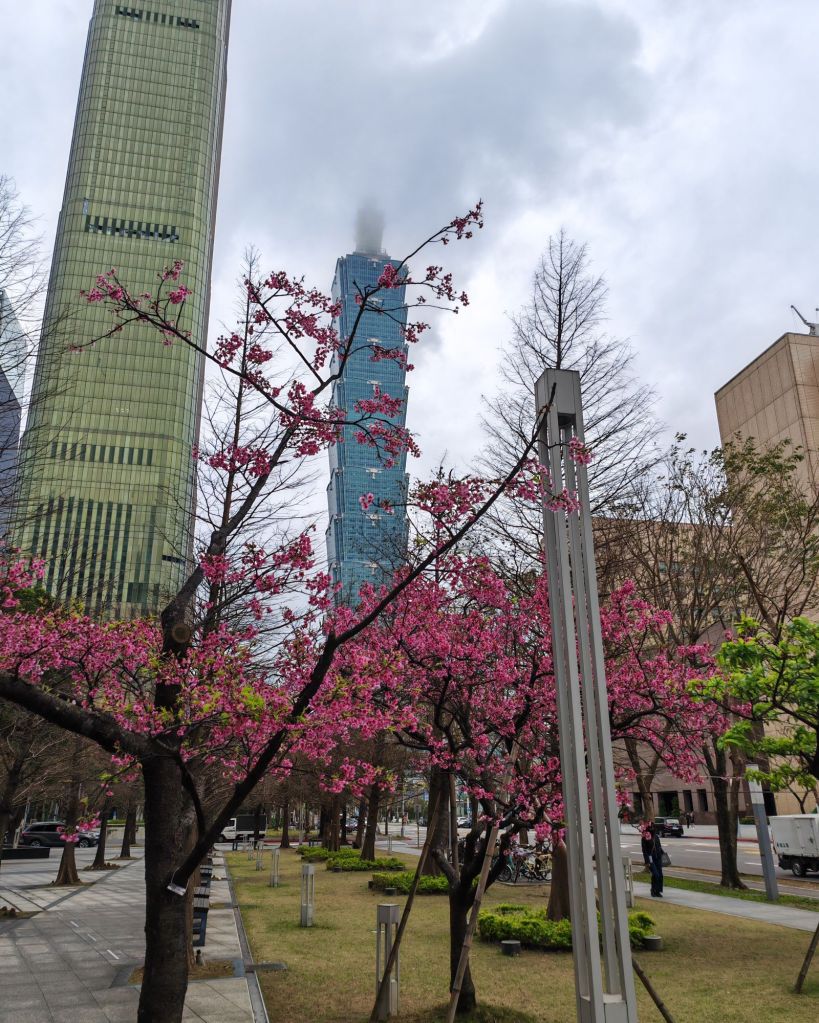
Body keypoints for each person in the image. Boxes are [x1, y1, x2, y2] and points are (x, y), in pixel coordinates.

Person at [648, 826, 664, 898]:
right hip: (651, 859)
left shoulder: (656, 837)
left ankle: (658, 891)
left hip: (658, 858)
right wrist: (647, 861)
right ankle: (653, 890)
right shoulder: (646, 838)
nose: (653, 829)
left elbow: (659, 847)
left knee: (660, 875)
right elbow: (645, 850)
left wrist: (663, 853)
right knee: (655, 874)